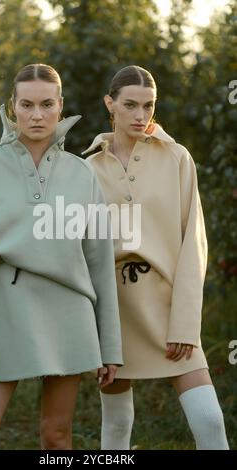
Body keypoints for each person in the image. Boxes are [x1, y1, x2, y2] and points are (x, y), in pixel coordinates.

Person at [0, 63, 123, 450]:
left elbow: (98, 261)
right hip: (1, 313)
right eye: (26, 104)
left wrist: (109, 344)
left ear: (60, 106)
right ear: (13, 106)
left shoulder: (82, 174)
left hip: (69, 314)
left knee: (57, 437)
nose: (36, 114)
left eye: (47, 104)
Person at [82, 65, 229, 450]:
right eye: (130, 105)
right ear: (109, 104)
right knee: (115, 425)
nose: (140, 115)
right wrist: (92, 324)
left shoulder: (178, 158)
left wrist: (185, 323)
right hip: (114, 311)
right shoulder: (87, 168)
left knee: (211, 422)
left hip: (168, 308)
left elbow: (194, 244)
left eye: (148, 106)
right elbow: (80, 251)